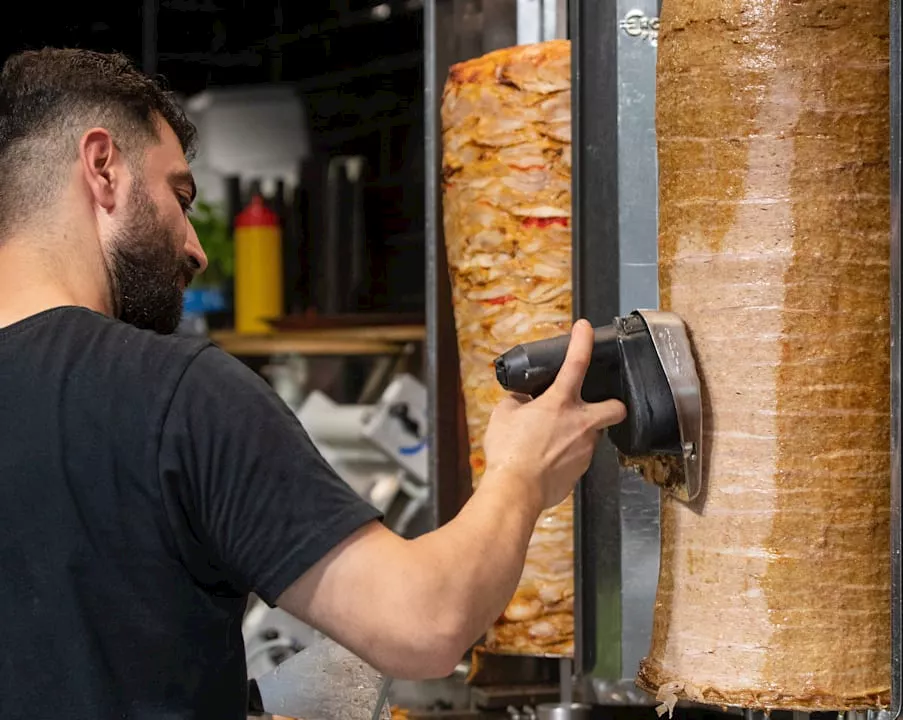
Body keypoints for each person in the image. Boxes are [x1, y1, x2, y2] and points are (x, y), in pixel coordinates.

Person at [0, 48, 626, 718]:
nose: (196, 246)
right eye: (179, 197)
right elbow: (424, 624)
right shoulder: (174, 396)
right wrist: (522, 474)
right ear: (103, 168)